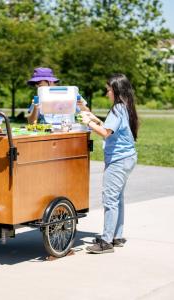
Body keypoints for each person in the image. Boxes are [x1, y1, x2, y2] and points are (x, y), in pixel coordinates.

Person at [81, 73, 139, 254]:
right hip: (128, 158)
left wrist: (88, 123)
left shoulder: (117, 109)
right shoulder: (125, 107)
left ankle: (106, 242)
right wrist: (95, 118)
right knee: (118, 199)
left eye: (108, 90)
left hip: (118, 161)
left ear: (115, 90)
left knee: (110, 199)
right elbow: (109, 127)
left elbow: (105, 133)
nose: (106, 93)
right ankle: (116, 236)